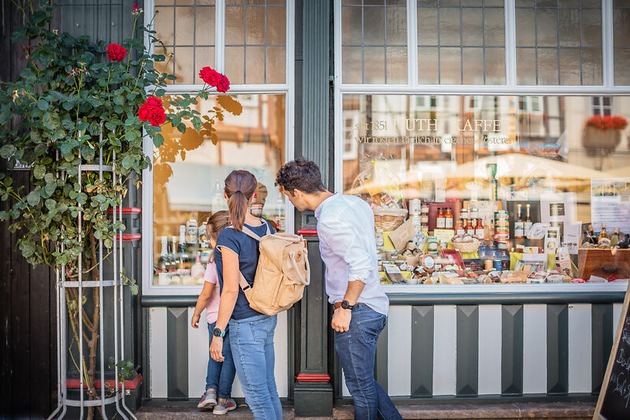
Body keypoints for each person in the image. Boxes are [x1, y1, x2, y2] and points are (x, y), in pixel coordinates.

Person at [275, 158, 402, 420]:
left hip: (358, 311)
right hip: (373, 307)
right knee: (364, 381)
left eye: (288, 196)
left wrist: (345, 308)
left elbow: (361, 264)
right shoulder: (354, 203)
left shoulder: (330, 220)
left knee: (361, 388)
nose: (290, 202)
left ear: (297, 193)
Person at [209, 170, 283, 420]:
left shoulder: (229, 236)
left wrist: (218, 333)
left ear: (224, 194)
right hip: (266, 316)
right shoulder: (267, 227)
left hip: (244, 323)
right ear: (253, 197)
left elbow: (230, 290)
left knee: (257, 397)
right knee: (268, 389)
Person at [191, 211, 237, 415]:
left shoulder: (213, 262)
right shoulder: (238, 257)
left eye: (210, 237)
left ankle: (210, 392)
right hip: (234, 317)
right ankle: (223, 399)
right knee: (229, 358)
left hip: (214, 319)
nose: (209, 242)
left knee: (214, 355)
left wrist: (196, 312)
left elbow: (205, 293)